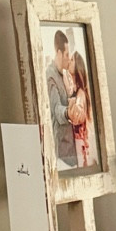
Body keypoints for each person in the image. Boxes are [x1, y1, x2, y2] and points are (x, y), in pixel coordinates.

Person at [46, 29, 77, 169]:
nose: (68, 57)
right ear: (58, 53)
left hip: (71, 151)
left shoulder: (64, 75)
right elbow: (56, 110)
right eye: (66, 54)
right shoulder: (50, 76)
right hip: (62, 155)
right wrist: (68, 113)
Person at [68, 51, 95, 169]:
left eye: (72, 60)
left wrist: (70, 102)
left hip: (80, 145)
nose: (69, 61)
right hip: (78, 144)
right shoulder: (78, 91)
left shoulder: (80, 93)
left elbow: (75, 116)